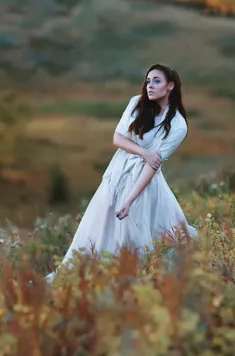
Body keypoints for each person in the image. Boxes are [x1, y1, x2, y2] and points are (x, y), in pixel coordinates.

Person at [46, 63, 198, 282]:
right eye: (148, 81)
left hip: (143, 184)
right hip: (116, 175)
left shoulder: (178, 125)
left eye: (156, 81)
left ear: (170, 86)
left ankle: (133, 280)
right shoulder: (136, 104)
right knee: (100, 229)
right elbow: (118, 139)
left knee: (141, 236)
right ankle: (89, 274)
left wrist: (130, 199)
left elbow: (153, 166)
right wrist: (144, 152)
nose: (150, 86)